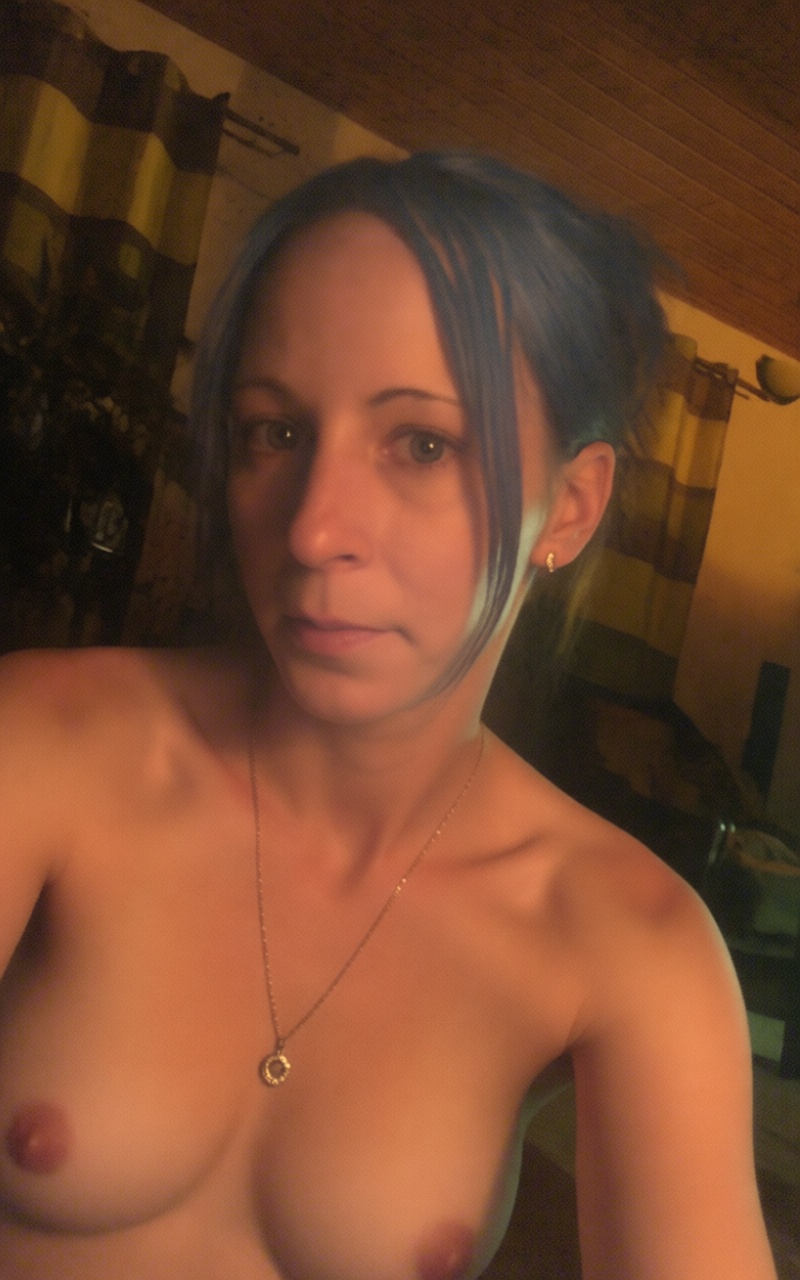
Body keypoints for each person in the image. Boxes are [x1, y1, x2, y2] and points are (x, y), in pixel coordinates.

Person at [0, 152, 776, 1280]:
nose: (314, 529)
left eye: (422, 443)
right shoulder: (44, 743)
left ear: (568, 507)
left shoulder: (631, 943)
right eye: (274, 431)